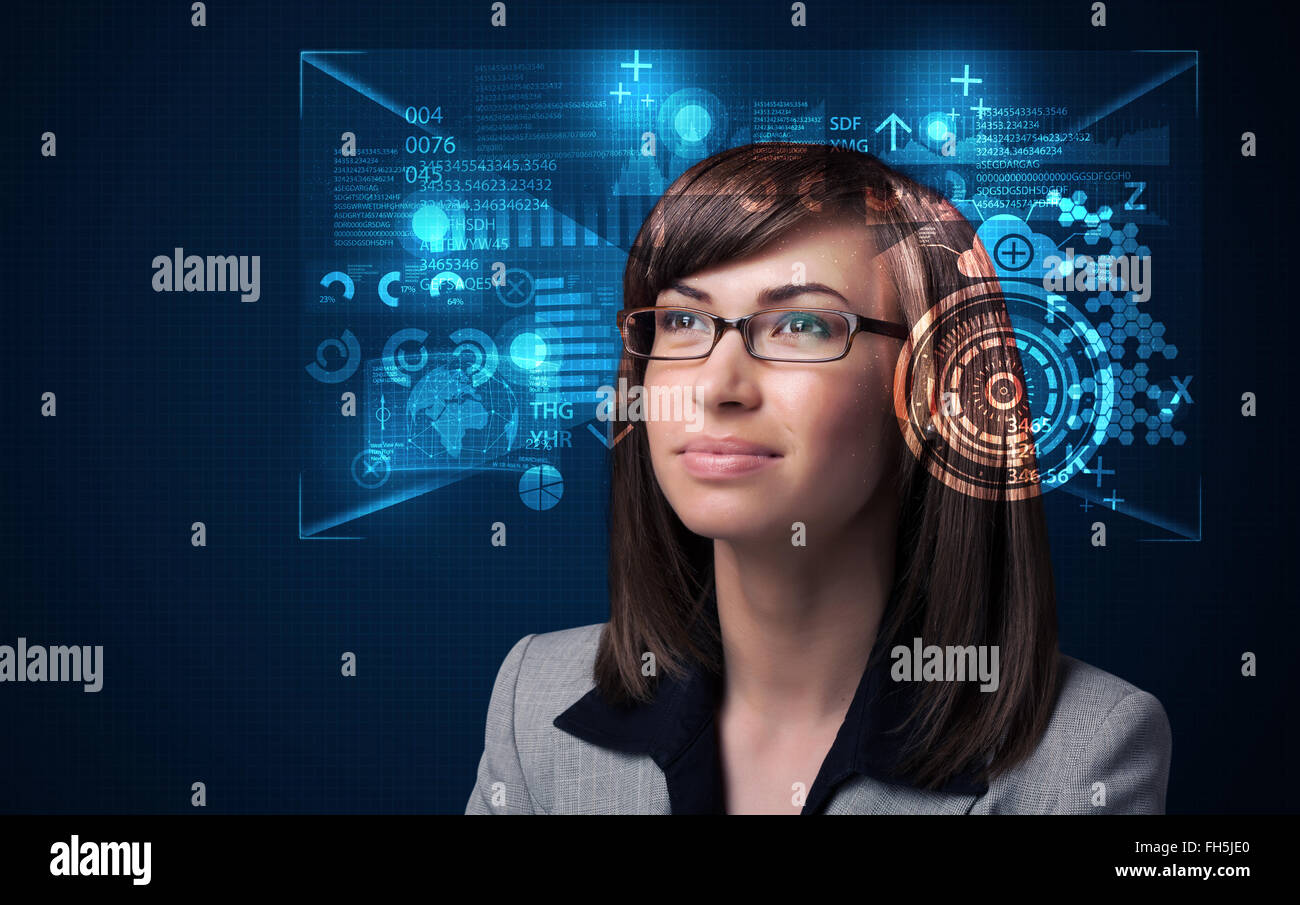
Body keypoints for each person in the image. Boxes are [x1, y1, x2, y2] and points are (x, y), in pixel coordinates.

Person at [465, 142, 1172, 814]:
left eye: (800, 325)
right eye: (683, 318)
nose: (716, 387)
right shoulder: (534, 701)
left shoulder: (1086, 751)